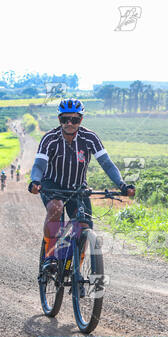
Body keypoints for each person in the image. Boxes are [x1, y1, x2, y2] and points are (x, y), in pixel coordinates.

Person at [28, 98, 135, 272]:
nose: (69, 123)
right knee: (56, 207)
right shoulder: (50, 139)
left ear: (81, 120)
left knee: (84, 226)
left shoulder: (89, 137)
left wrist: (122, 185)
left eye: (75, 120)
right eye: (65, 119)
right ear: (59, 120)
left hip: (78, 188)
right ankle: (50, 256)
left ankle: (74, 269)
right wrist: (35, 181)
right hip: (52, 185)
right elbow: (39, 164)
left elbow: (106, 163)